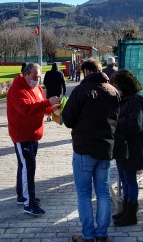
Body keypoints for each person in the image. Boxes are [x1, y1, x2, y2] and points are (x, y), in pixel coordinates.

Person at [62, 58, 121, 242]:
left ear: (87, 72)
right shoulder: (113, 91)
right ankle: (102, 234)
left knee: (84, 194)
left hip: (84, 149)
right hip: (105, 149)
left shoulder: (81, 90)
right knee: (103, 191)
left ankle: (88, 236)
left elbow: (68, 120)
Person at [7, 62, 60, 216]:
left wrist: (53, 107)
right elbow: (26, 109)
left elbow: (42, 106)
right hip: (22, 135)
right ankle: (28, 203)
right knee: (28, 168)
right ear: (26, 74)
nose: (37, 79)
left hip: (33, 134)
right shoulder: (16, 89)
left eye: (39, 76)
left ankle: (22, 195)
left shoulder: (36, 87)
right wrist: (47, 102)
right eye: (35, 76)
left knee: (24, 166)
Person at [109, 69, 143, 227]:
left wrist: (116, 122)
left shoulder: (136, 101)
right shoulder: (123, 99)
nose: (114, 87)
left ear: (123, 85)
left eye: (116, 84)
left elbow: (136, 124)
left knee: (130, 181)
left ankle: (131, 214)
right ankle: (126, 209)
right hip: (122, 147)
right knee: (124, 180)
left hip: (132, 147)